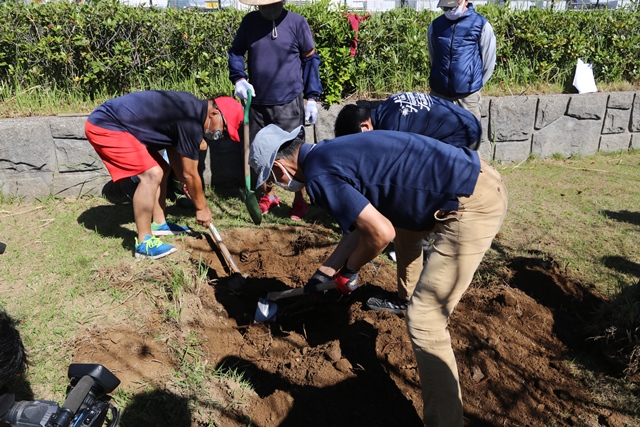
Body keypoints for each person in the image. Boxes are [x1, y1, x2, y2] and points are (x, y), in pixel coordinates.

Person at [249, 124, 507, 427]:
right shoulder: (331, 152)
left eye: (272, 179)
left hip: (471, 204)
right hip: (476, 173)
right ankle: (407, 295)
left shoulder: (319, 175)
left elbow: (379, 234)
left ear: (280, 168)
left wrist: (350, 270)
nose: (278, 184)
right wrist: (326, 271)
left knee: (425, 322)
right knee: (406, 232)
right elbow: (363, 224)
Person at [334, 91, 481, 313]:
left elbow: (395, 176)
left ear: (365, 127)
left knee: (432, 208)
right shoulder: (387, 111)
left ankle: (432, 295)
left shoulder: (392, 129)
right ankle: (409, 295)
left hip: (459, 137)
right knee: (406, 225)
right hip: (465, 125)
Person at [85, 91, 244, 259]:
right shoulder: (190, 121)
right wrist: (202, 208)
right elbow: (191, 173)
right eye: (224, 128)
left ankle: (159, 223)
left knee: (163, 168)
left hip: (120, 125)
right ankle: (144, 243)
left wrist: (183, 181)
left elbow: (173, 146)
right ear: (214, 113)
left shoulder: (191, 110)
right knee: (152, 174)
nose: (222, 134)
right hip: (105, 125)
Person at [228, 0, 322, 221]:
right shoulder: (249, 23)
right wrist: (239, 79)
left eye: (273, 5)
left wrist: (312, 98)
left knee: (294, 152)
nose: (269, 9)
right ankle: (268, 195)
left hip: (288, 101)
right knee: (261, 154)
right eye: (263, 6)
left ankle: (300, 199)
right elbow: (235, 52)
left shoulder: (297, 23)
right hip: (258, 103)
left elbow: (310, 60)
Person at [428, 0, 496, 121]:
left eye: (454, 6)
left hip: (468, 99)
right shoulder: (435, 25)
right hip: (438, 96)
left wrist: (472, 86)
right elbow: (433, 56)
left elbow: (488, 62)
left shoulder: (481, 24)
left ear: (466, 1)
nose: (450, 11)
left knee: (470, 138)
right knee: (437, 138)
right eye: (446, 8)